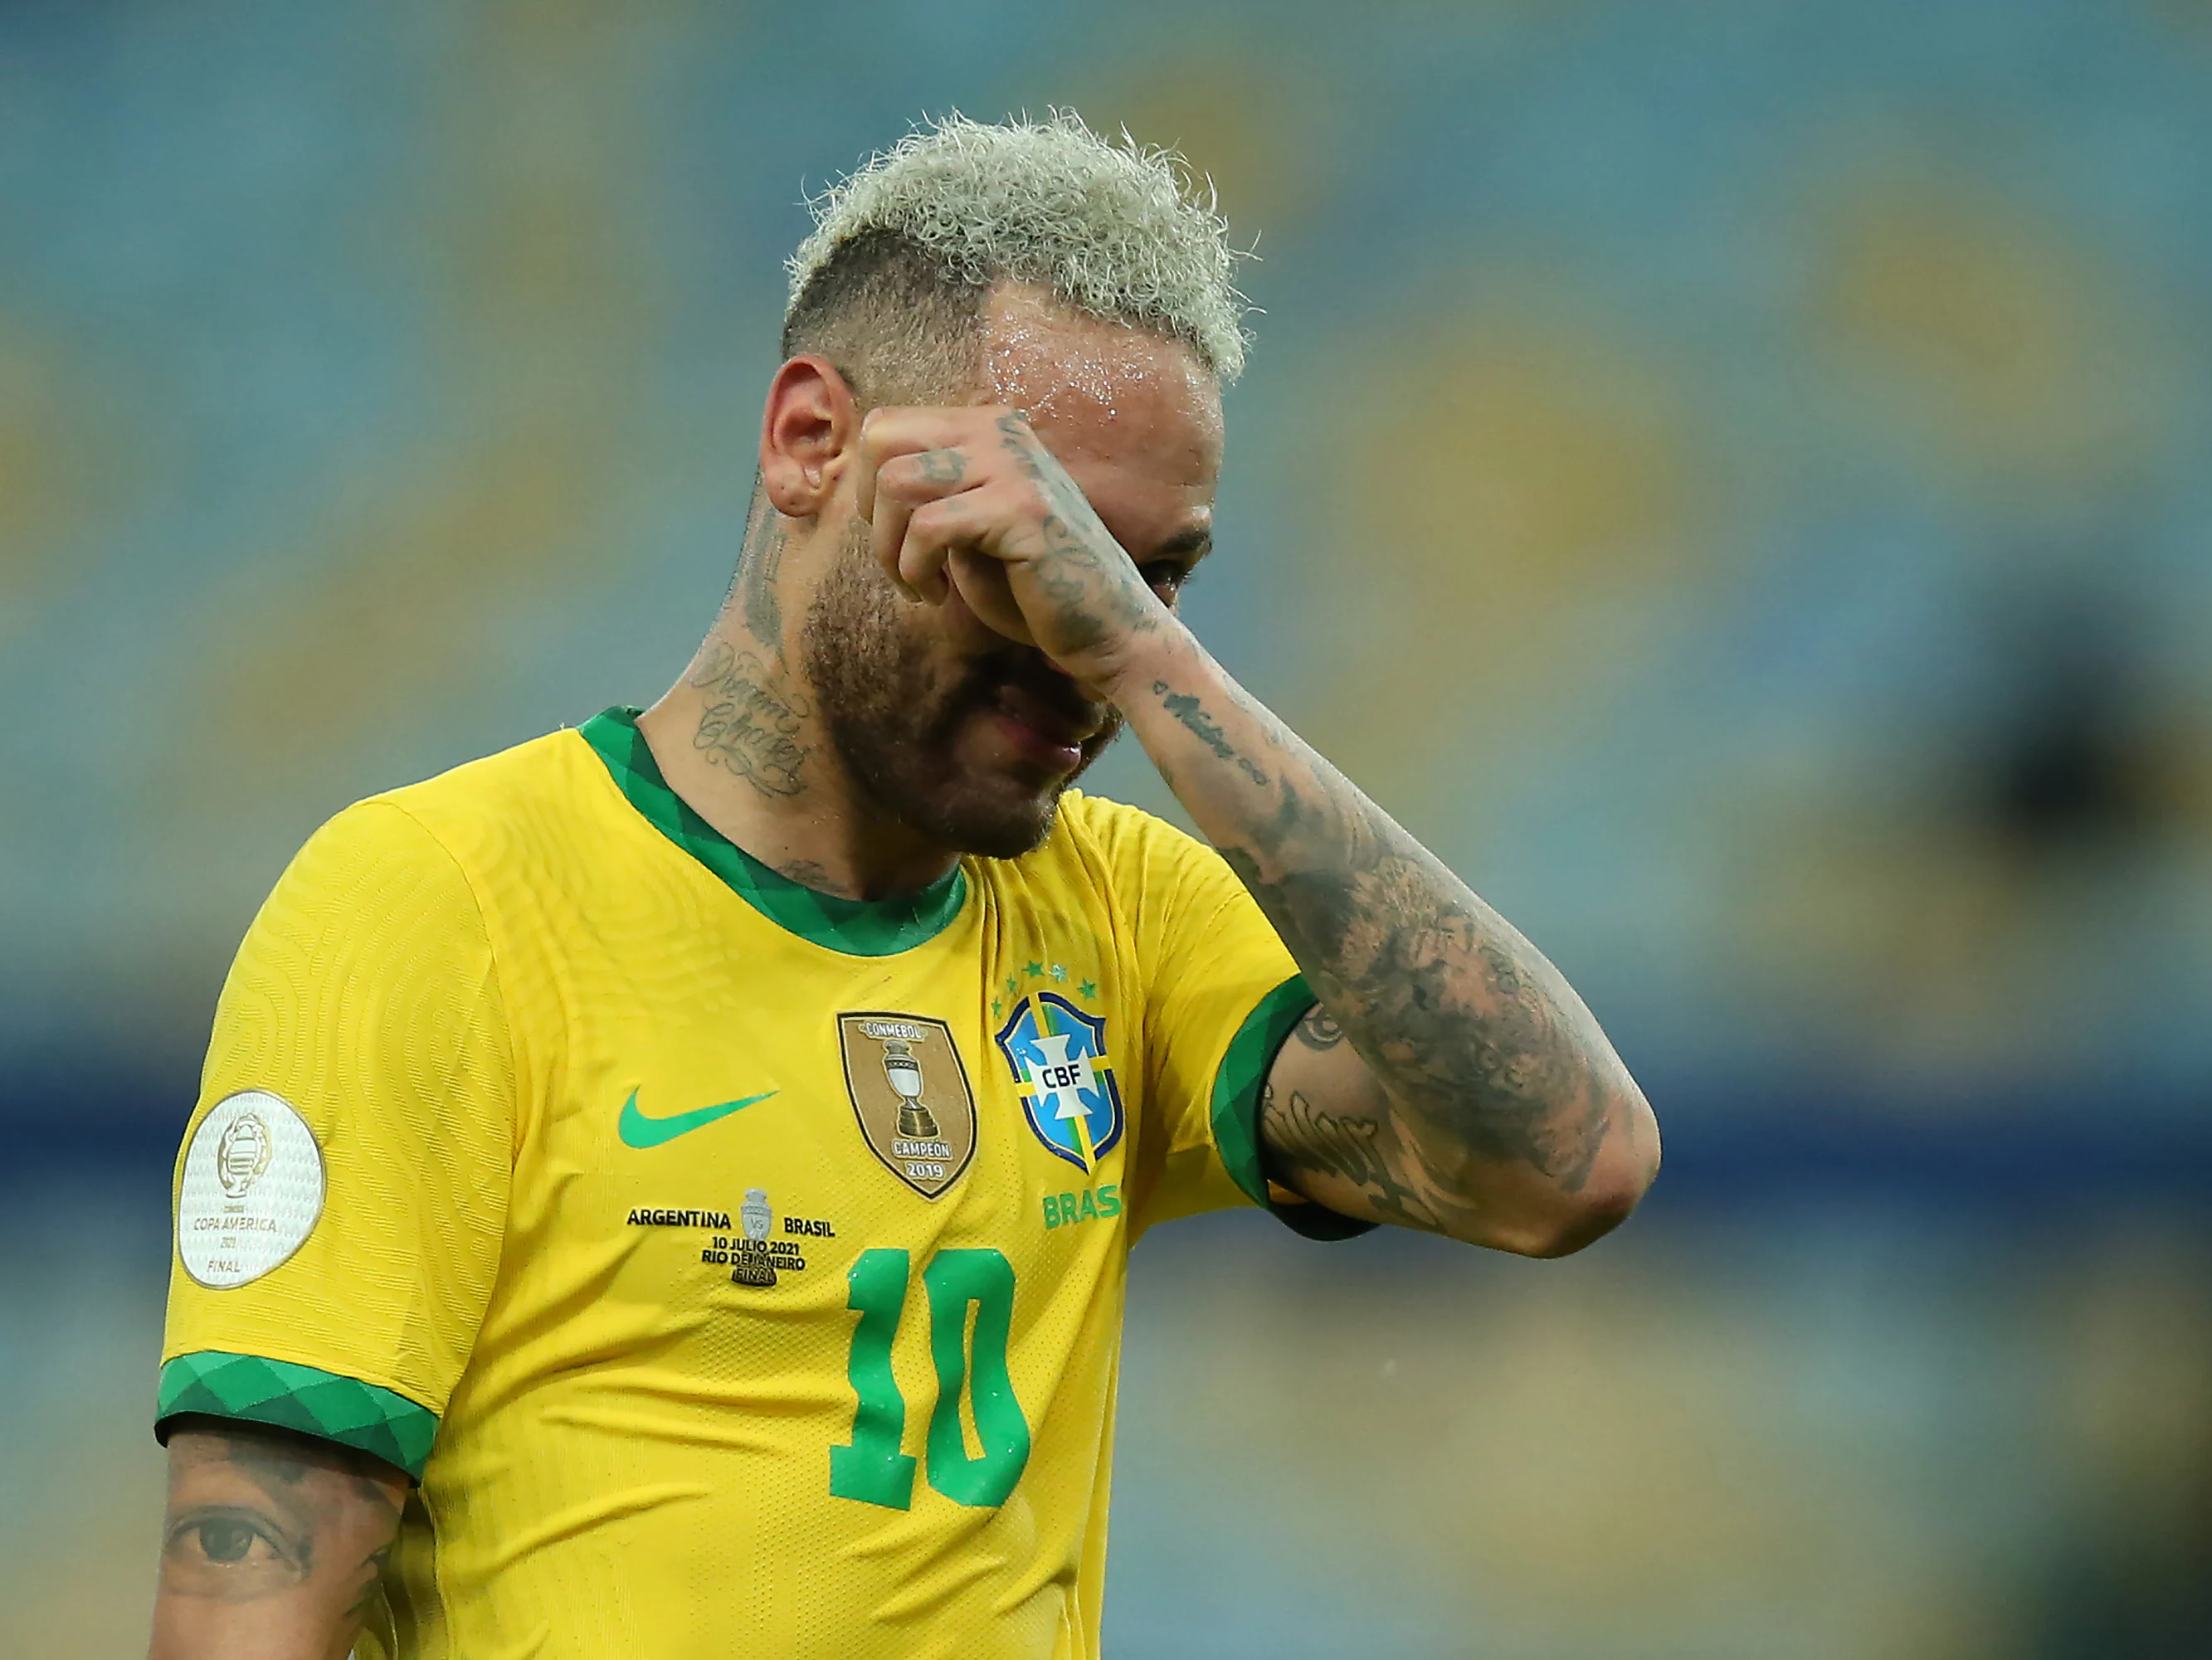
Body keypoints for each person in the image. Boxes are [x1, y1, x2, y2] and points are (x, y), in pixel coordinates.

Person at [147, 111, 1659, 1660]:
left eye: (1151, 573)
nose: (1074, 634)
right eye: (1032, 541)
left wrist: (1153, 663)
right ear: (812, 440)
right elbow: (247, 1597)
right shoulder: (435, 902)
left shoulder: (1121, 922)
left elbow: (1568, 1164)